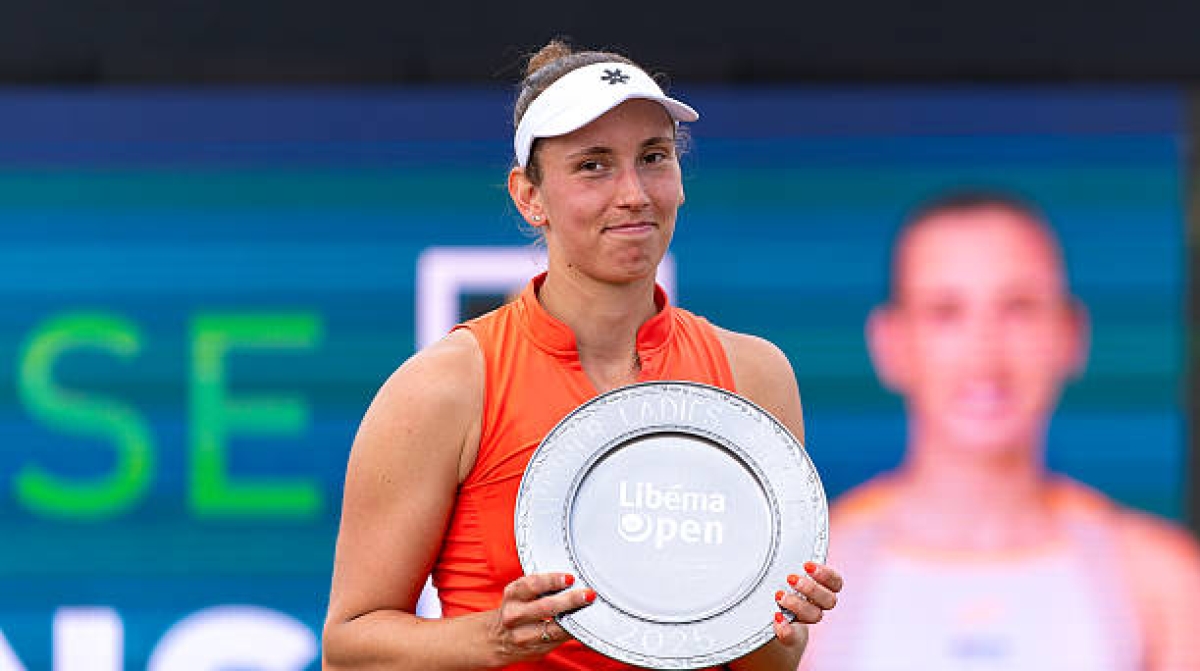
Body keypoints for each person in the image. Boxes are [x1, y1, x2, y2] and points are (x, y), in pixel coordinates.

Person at [321, 40, 843, 671]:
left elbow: (763, 663)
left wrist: (780, 625)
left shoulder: (756, 377)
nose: (633, 194)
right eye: (594, 166)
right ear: (529, 197)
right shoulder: (448, 386)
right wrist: (494, 638)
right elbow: (350, 650)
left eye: (653, 157)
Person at [801, 191, 1200, 671]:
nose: (984, 352)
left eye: (1019, 308)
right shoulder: (808, 586)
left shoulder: (1165, 587)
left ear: (1070, 334)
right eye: (946, 311)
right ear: (891, 343)